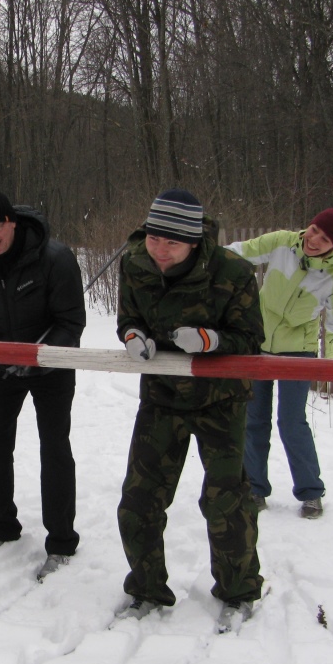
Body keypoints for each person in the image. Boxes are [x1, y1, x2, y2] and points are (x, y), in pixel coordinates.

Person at [115, 188, 265, 632]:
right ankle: (146, 588)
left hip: (220, 400)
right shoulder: (134, 262)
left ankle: (238, 590)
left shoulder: (232, 271)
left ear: (195, 241)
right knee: (139, 501)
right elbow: (128, 316)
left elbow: (250, 340)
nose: (160, 250)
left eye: (172, 243)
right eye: (154, 238)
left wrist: (211, 342)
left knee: (225, 502)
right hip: (161, 398)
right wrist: (132, 337)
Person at [0, 189, 87, 580]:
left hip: (51, 366)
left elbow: (71, 322)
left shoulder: (55, 258)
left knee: (54, 446)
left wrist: (38, 358)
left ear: (11, 222)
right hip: (1, 368)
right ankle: (0, 527)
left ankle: (62, 541)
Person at [226, 208, 333, 519]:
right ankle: (254, 489)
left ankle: (311, 493)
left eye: (324, 239)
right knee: (254, 420)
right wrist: (200, 253)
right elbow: (240, 253)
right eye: (314, 230)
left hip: (299, 353)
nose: (314, 240)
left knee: (291, 421)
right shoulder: (283, 242)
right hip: (258, 344)